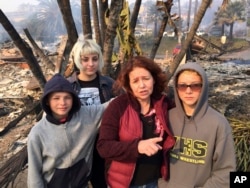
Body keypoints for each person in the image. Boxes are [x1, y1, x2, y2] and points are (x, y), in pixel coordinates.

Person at [97, 56, 175, 188]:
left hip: (157, 182)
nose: (142, 85)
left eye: (146, 78)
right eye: (135, 81)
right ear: (129, 85)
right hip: (122, 183)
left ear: (154, 79)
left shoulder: (164, 104)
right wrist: (137, 147)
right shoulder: (118, 106)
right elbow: (103, 147)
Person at [158, 62, 236, 188]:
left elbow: (225, 171)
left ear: (203, 87)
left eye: (195, 86)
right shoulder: (166, 118)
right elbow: (156, 161)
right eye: (182, 86)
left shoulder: (219, 123)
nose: (188, 91)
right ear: (176, 88)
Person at [27, 73, 110, 188]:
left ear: (73, 99)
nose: (62, 103)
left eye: (67, 97)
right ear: (47, 101)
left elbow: (111, 106)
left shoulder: (87, 116)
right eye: (56, 98)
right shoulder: (38, 133)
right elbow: (34, 175)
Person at [67, 39, 115, 188]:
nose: (91, 64)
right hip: (77, 145)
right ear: (78, 60)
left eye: (95, 59)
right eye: (85, 59)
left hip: (101, 145)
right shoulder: (68, 86)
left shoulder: (109, 84)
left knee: (102, 183)